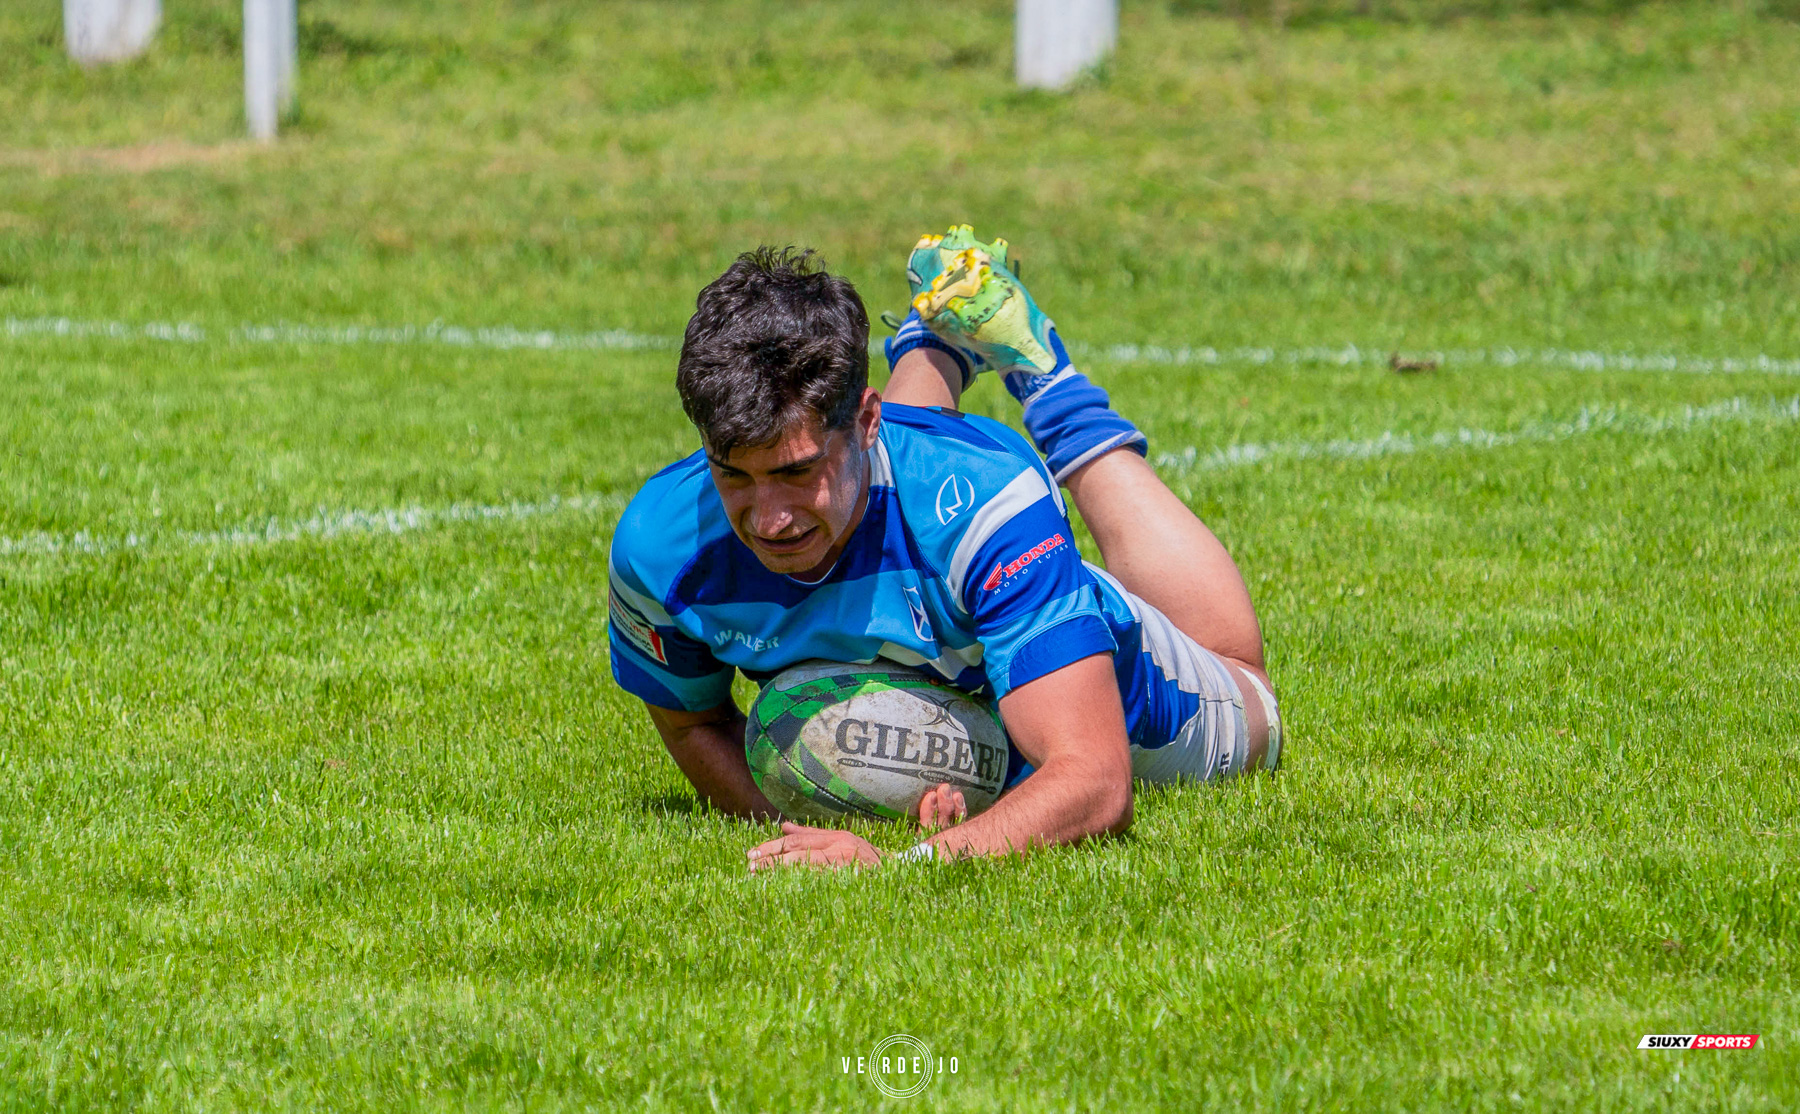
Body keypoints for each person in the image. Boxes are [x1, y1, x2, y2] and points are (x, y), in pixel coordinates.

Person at [606, 228, 1281, 871]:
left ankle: (1049, 382)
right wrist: (808, 827)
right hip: (921, 528)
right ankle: (936, 338)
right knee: (897, 480)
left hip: (1115, 676)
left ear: (867, 420)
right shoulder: (662, 545)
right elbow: (694, 725)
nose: (770, 518)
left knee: (1254, 703)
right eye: (733, 475)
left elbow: (1095, 781)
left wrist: (898, 865)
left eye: (796, 472)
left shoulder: (988, 503)